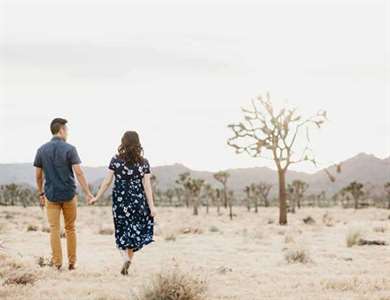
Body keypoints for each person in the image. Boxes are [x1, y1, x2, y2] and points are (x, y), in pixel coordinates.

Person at [34, 118, 94, 270]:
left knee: (54, 229)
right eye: (66, 130)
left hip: (51, 195)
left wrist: (41, 193)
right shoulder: (70, 149)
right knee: (70, 228)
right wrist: (87, 193)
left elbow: (39, 176)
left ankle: (57, 263)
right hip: (68, 195)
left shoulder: (41, 150)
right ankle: (72, 263)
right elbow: (79, 172)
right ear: (61, 130)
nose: (67, 133)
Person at [92, 130, 156, 275]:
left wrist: (97, 197)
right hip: (137, 200)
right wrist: (151, 207)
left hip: (120, 200)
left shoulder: (115, 160)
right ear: (138, 143)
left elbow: (107, 181)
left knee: (121, 229)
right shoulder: (143, 163)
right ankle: (128, 261)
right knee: (133, 231)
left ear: (123, 142)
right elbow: (147, 186)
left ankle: (124, 257)